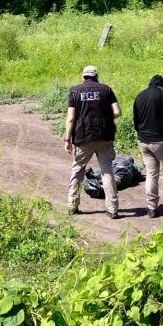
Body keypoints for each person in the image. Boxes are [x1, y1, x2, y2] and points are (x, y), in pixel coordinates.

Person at [64, 65, 122, 219]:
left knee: (77, 171)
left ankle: (72, 206)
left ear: (83, 77)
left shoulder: (74, 91)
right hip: (104, 136)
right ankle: (112, 209)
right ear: (96, 76)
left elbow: (71, 118)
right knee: (107, 172)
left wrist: (67, 138)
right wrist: (105, 118)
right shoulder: (106, 89)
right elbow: (117, 112)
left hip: (83, 137)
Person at [132, 74, 163, 218]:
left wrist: (143, 134)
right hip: (161, 140)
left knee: (151, 173)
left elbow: (135, 121)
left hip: (143, 141)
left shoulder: (140, 96)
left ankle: (152, 208)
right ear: (162, 85)